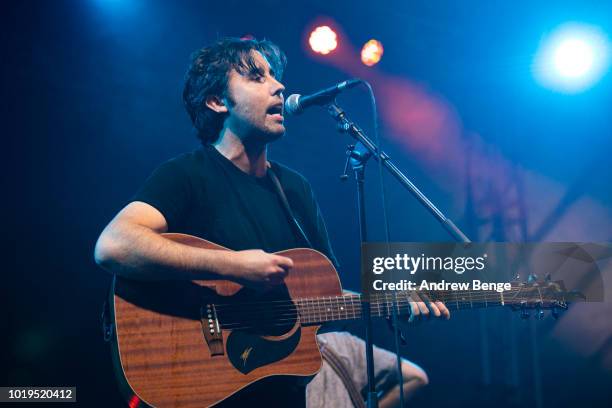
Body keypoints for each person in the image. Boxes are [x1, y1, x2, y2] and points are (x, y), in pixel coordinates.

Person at [94, 37, 449, 407]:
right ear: (217, 102)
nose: (279, 86)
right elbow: (114, 245)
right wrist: (235, 265)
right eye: (256, 77)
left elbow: (319, 300)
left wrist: (388, 303)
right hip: (209, 390)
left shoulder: (294, 189)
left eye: (275, 76)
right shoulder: (186, 176)